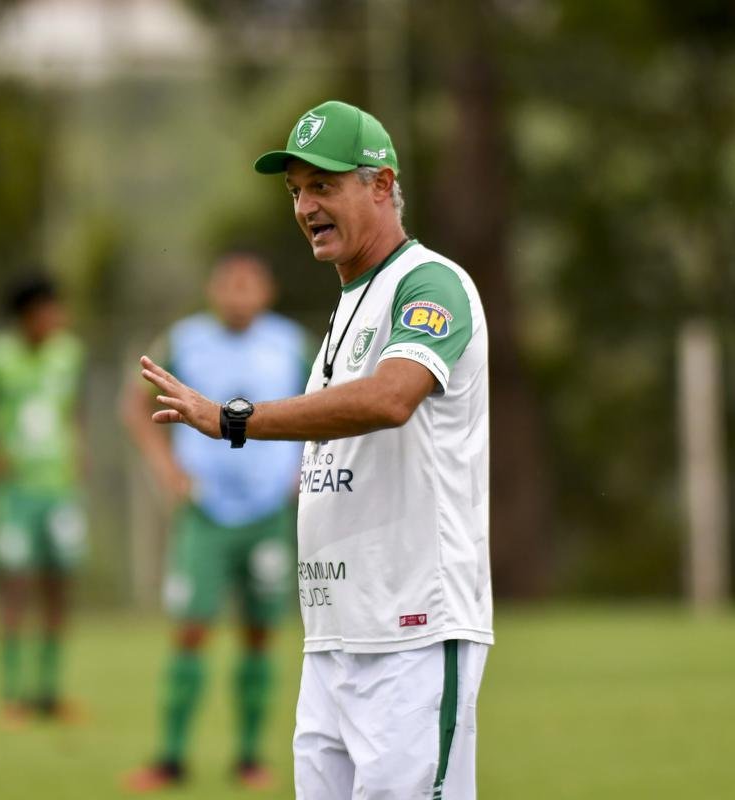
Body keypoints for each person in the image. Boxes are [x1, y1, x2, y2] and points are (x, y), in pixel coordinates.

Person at [137, 100, 493, 799]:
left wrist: (234, 418)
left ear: (382, 185)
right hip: (335, 640)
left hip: (412, 633)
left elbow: (392, 398)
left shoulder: (429, 284)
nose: (305, 206)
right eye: (296, 190)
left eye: (323, 185)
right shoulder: (345, 308)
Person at [121, 253, 309, 791]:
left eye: (249, 284)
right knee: (191, 630)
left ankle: (249, 757)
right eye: (229, 284)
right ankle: (172, 758)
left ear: (267, 291)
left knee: (258, 633)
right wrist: (166, 470)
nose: (238, 294)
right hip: (205, 512)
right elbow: (135, 405)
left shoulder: (291, 344)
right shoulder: (184, 340)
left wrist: (302, 470)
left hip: (267, 512)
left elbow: (323, 407)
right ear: (212, 290)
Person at [0, 273, 87, 726]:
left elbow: (74, 408)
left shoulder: (69, 355)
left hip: (58, 490)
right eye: (51, 310)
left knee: (58, 588)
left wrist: (78, 450)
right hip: (13, 494)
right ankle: (12, 695)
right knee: (16, 588)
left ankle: (49, 693)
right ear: (28, 315)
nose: (58, 319)